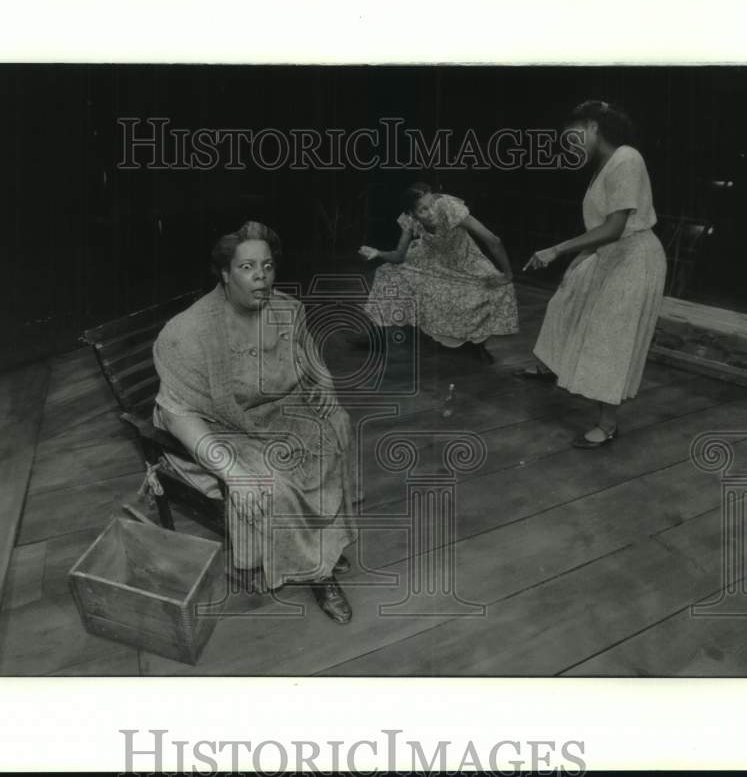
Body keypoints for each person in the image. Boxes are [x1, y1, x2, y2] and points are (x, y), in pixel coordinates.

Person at [151, 221, 357, 623]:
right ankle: (320, 572)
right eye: (246, 267)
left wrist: (327, 392)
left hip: (275, 414)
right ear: (224, 274)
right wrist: (233, 474)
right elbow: (178, 416)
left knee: (332, 431)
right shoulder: (188, 333)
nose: (261, 277)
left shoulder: (284, 309)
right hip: (220, 430)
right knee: (270, 482)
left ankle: (324, 544)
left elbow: (310, 356)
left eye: (267, 266)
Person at [521, 100, 667, 448]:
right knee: (566, 301)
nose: (569, 147)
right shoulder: (606, 165)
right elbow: (603, 230)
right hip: (611, 255)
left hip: (634, 258)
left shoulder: (627, 159)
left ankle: (608, 424)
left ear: (592, 126)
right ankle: (552, 367)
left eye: (572, 137)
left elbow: (616, 227)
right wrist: (579, 260)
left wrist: (557, 250)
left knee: (609, 340)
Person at [357, 183, 519, 362]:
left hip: (465, 261)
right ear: (412, 214)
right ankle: (376, 336)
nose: (432, 211)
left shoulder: (451, 209)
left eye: (432, 203)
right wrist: (378, 253)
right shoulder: (409, 219)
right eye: (423, 210)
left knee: (494, 290)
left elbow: (493, 241)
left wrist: (508, 274)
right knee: (387, 274)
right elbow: (398, 256)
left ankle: (477, 343)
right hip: (429, 258)